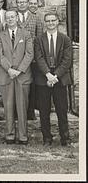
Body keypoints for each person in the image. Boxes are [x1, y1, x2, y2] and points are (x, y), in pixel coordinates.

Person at [0, 10, 33, 145]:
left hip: (22, 76)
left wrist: (20, 70)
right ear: (5, 19)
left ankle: (23, 136)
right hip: (6, 75)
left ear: (17, 18)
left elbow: (29, 54)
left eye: (12, 17)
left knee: (22, 107)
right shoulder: (0, 36)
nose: (10, 19)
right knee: (8, 106)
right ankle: (9, 135)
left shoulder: (26, 34)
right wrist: (9, 69)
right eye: (8, 17)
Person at [34, 13, 72, 146]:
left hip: (59, 79)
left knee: (62, 110)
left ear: (57, 22)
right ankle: (47, 138)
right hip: (43, 78)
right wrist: (48, 75)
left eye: (53, 20)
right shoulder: (39, 39)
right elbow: (38, 58)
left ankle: (65, 138)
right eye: (48, 21)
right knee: (44, 110)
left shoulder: (65, 39)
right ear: (45, 23)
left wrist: (55, 75)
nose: (50, 23)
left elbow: (67, 60)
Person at [16, 0, 44, 120]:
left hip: (31, 58)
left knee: (31, 85)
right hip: (16, 58)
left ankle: (30, 111)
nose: (21, 4)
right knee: (17, 85)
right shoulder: (13, 18)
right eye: (19, 2)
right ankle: (17, 112)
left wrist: (37, 57)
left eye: (23, 2)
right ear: (16, 4)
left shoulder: (36, 18)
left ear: (27, 4)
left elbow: (39, 39)